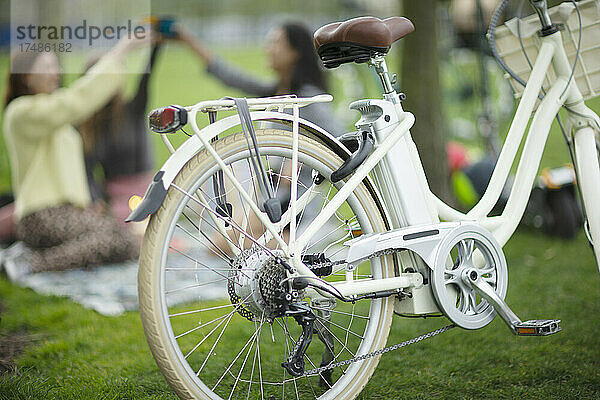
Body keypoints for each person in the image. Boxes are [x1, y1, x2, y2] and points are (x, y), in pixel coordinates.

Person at [2, 35, 147, 281]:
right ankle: (30, 263)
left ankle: (27, 256)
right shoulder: (21, 112)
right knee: (115, 238)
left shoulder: (54, 116)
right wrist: (121, 50)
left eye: (56, 65)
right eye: (47, 66)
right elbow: (76, 101)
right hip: (42, 215)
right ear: (26, 76)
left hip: (69, 214)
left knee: (129, 244)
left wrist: (88, 202)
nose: (56, 72)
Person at [176, 21, 343, 136]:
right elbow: (231, 76)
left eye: (275, 43)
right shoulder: (275, 92)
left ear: (295, 52)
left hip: (296, 187)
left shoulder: (308, 99)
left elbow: (338, 139)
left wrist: (299, 160)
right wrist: (187, 40)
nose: (267, 49)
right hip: (269, 184)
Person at [79, 41, 161, 227]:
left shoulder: (132, 110)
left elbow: (146, 79)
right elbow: (88, 172)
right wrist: (96, 201)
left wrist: (156, 44)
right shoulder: (87, 126)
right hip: (114, 200)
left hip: (146, 191)